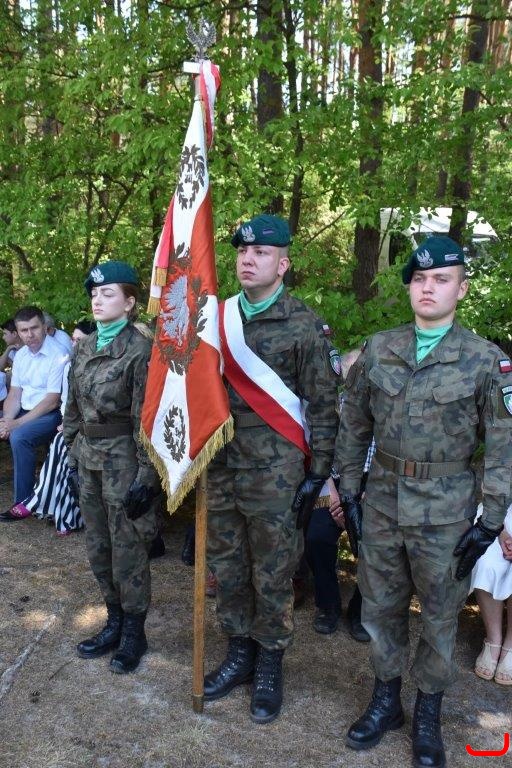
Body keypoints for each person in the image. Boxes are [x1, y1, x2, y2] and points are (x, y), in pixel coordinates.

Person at [334, 236, 512, 768]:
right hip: (383, 502)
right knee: (380, 606)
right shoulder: (380, 348)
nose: (427, 288)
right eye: (419, 279)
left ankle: (428, 712)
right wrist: (349, 489)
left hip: (446, 511)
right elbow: (354, 424)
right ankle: (386, 701)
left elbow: (503, 446)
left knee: (438, 615)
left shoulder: (486, 361)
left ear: (461, 288)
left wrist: (491, 520)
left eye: (440, 279)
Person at [204, 214, 339, 723]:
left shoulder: (304, 324)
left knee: (274, 568)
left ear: (283, 264)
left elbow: (322, 404)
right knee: (228, 565)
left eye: (260, 252)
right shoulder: (216, 318)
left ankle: (269, 662)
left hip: (276, 468)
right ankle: (238, 651)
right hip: (221, 462)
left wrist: (318, 473)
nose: (247, 259)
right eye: (242, 251)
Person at [63, 262, 160, 674]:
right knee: (98, 547)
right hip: (88, 458)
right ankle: (114, 620)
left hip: (124, 461)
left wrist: (147, 476)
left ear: (130, 302)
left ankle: (135, 632)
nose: (98, 300)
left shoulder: (140, 350)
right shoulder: (83, 346)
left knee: (128, 549)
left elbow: (148, 420)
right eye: (94, 294)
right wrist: (71, 456)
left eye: (108, 294)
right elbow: (72, 407)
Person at [23, 320, 96, 534]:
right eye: (73, 339)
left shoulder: (102, 368)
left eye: (79, 340)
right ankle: (58, 509)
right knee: (60, 444)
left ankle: (61, 512)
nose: (73, 345)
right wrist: (66, 422)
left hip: (96, 427)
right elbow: (66, 402)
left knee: (63, 446)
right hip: (73, 425)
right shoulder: (69, 367)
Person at [0, 306, 66, 520]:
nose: (30, 335)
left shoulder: (59, 354)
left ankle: (23, 502)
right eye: (24, 330)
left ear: (44, 327)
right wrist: (6, 420)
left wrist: (16, 425)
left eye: (34, 328)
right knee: (10, 428)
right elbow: (14, 394)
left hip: (51, 414)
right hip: (24, 410)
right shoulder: (21, 355)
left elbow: (51, 400)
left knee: (20, 437)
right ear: (18, 332)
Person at [471, 502, 512, 684]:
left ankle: (511, 644)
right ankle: (493, 638)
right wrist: (502, 532)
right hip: (502, 514)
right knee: (486, 561)